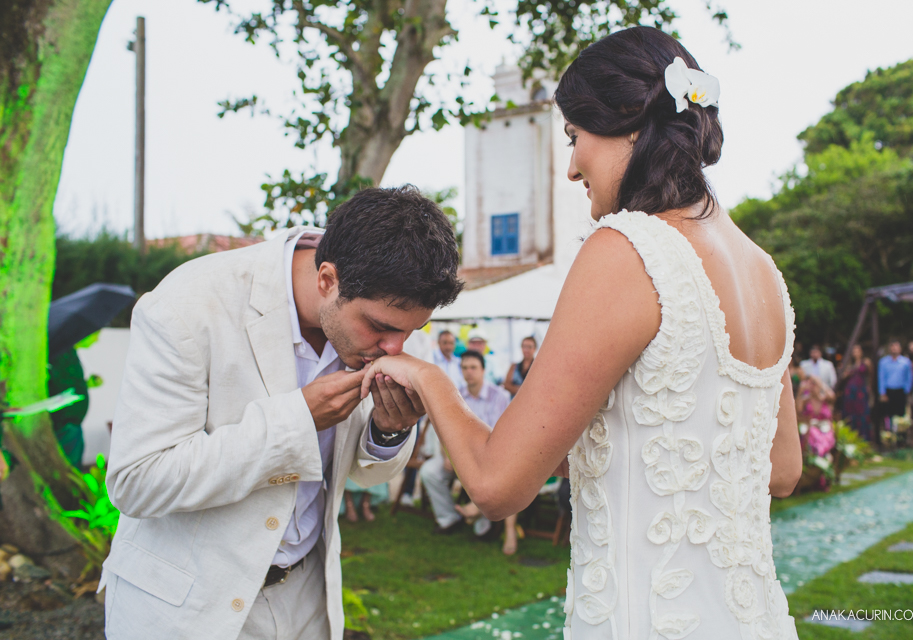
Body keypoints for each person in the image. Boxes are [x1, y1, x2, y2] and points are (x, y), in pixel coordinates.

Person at [362, 27, 802, 639]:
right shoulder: (763, 271)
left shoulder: (627, 250)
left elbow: (495, 484)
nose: (571, 167)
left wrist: (430, 380)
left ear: (628, 126)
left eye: (575, 137)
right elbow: (781, 470)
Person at [100, 186, 463, 640]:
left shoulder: (384, 317)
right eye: (382, 328)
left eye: (412, 331)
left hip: (309, 602)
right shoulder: (185, 306)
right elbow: (137, 481)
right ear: (327, 280)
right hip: (190, 610)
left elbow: (365, 477)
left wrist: (388, 431)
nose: (397, 348)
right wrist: (298, 420)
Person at [419, 351, 513, 544]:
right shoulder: (456, 395)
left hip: (487, 457)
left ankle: (482, 525)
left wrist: (469, 459)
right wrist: (448, 455)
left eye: (473, 368)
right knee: (429, 472)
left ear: (483, 370)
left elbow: (502, 436)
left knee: (481, 474)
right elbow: (445, 430)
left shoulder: (499, 396)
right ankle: (449, 519)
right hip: (457, 455)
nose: (468, 372)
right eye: (464, 368)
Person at [841, 344, 872, 440]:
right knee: (850, 413)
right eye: (854, 351)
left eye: (857, 350)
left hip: (861, 390)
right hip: (850, 391)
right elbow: (842, 376)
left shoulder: (866, 362)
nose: (855, 352)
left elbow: (871, 375)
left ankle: (864, 437)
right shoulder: (848, 364)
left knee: (862, 412)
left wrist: (869, 386)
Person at [878, 341, 913, 422]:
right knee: (888, 414)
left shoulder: (906, 362)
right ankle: (889, 433)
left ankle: (901, 433)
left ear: (900, 349)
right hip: (888, 391)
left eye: (896, 347)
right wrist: (882, 392)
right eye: (892, 347)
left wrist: (907, 390)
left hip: (901, 391)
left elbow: (909, 377)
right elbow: (881, 378)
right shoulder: (883, 362)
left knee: (901, 414)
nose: (894, 349)